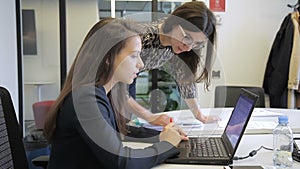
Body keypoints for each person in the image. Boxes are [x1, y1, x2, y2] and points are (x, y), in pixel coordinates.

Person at [43, 18, 188, 169]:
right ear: (107, 57)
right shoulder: (86, 99)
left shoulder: (104, 93)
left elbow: (119, 130)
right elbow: (121, 162)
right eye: (133, 56)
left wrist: (159, 136)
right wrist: (166, 145)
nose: (141, 64)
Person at [128, 1, 219, 126]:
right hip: (106, 81)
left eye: (197, 44)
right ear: (175, 23)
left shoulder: (178, 46)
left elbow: (185, 81)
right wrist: (150, 118)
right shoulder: (145, 37)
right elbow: (118, 84)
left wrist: (200, 116)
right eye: (187, 37)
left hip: (129, 80)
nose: (188, 47)